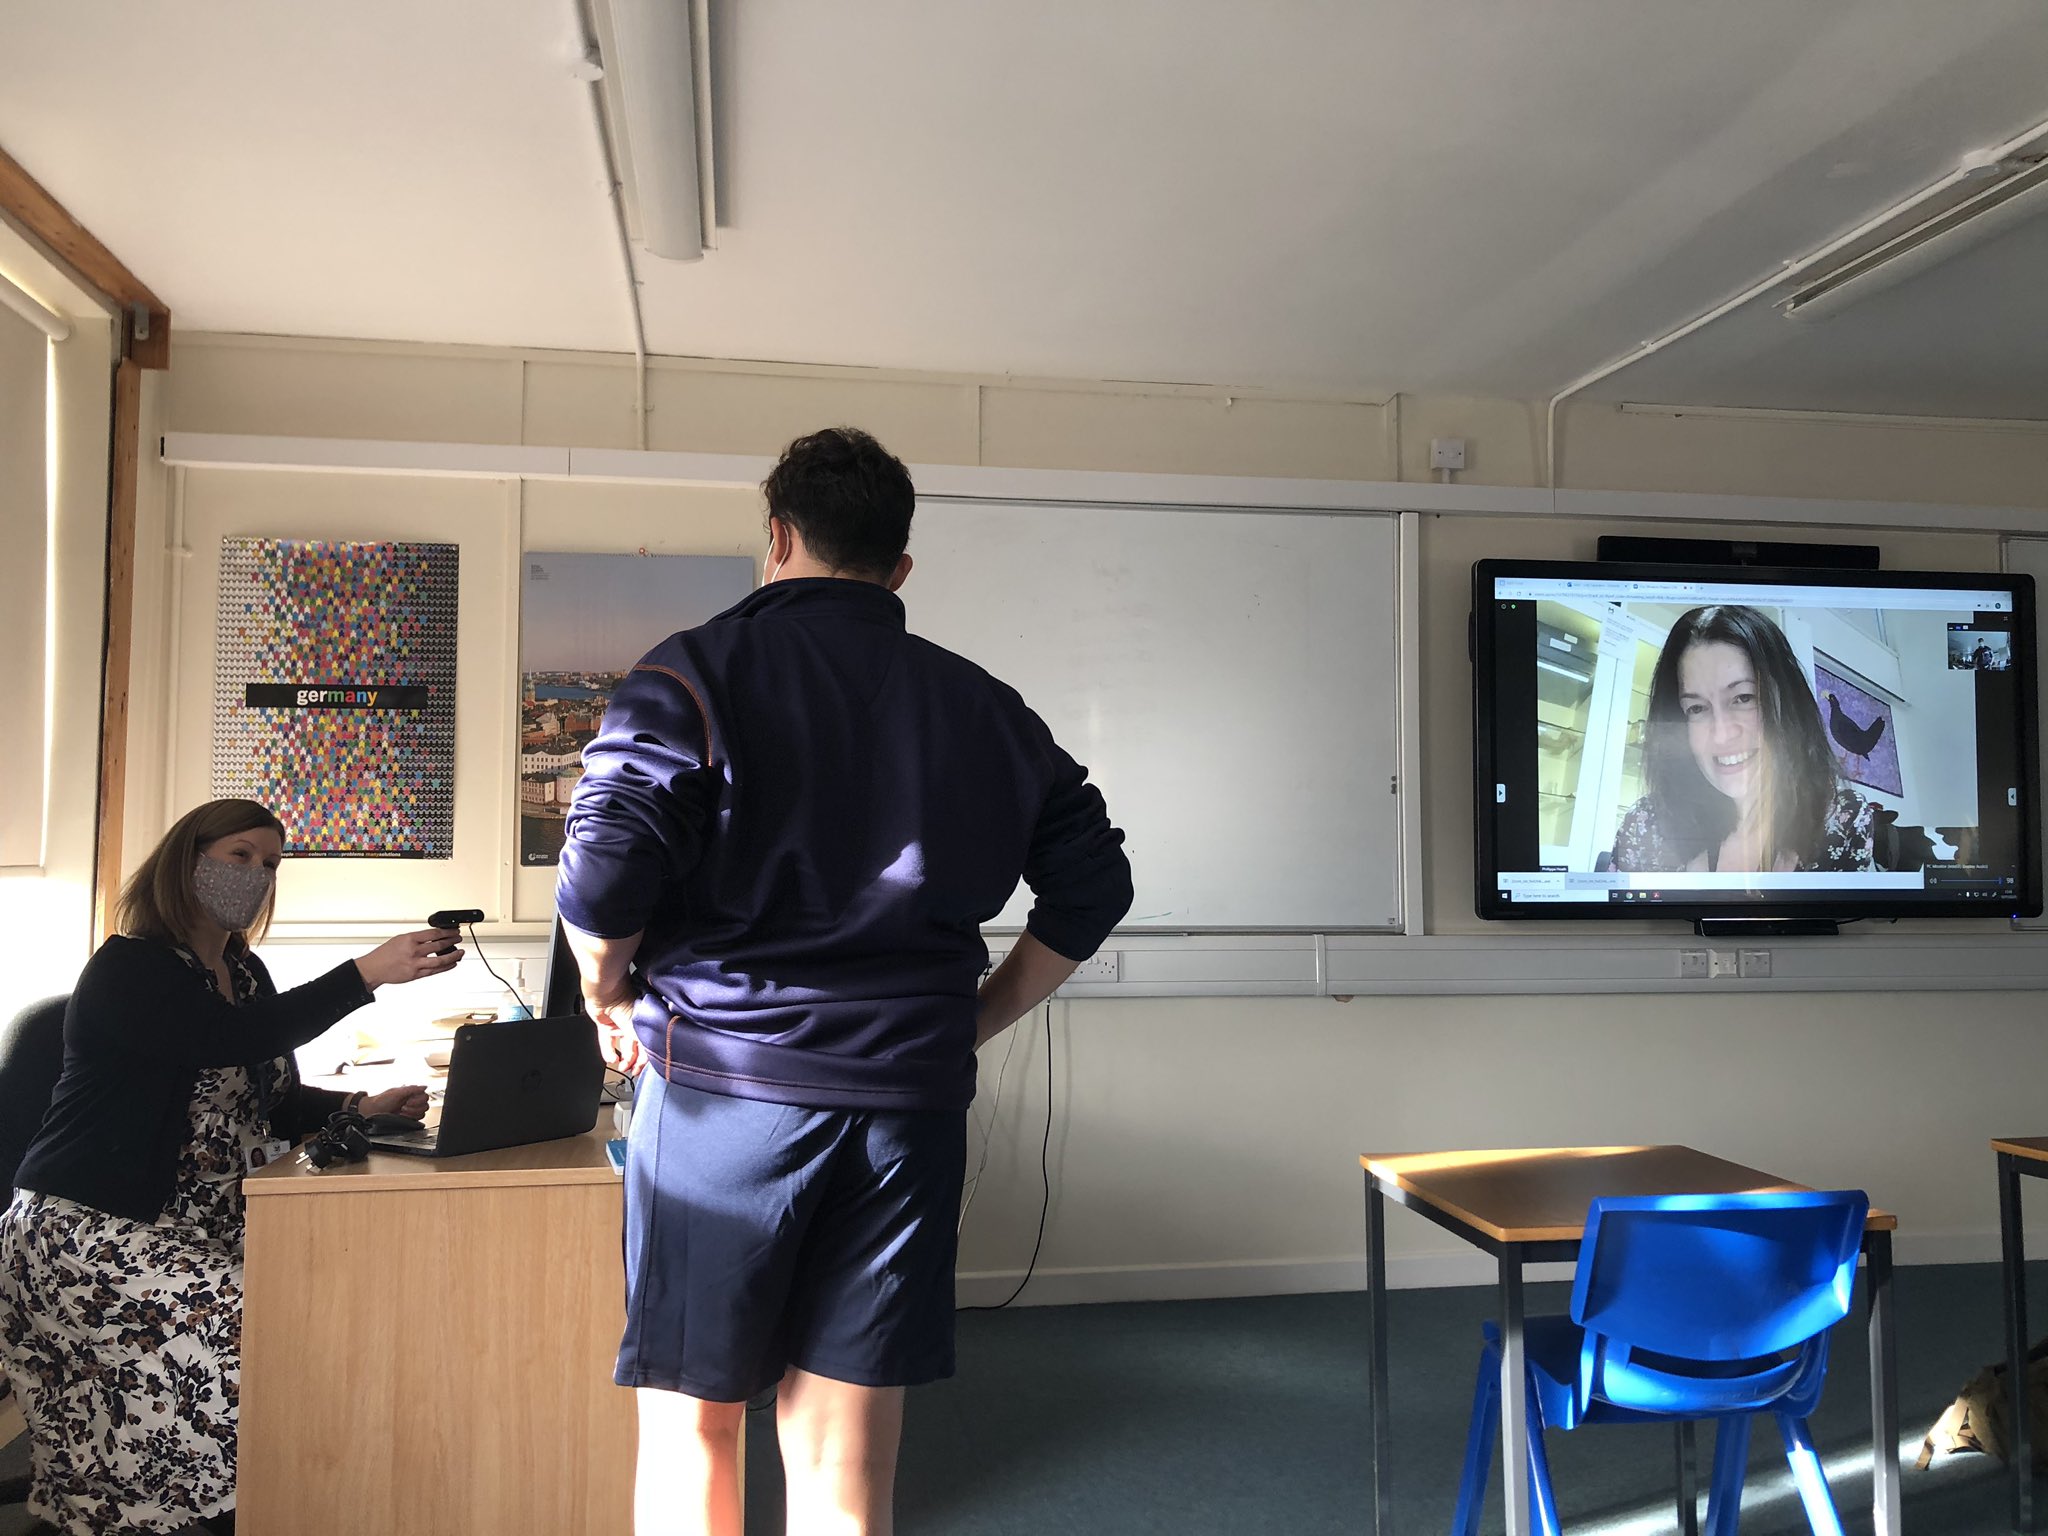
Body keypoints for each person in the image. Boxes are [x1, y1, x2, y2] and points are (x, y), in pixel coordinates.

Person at [556, 426, 1133, 1536]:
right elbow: (1091, 885)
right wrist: (975, 1019)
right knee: (840, 1442)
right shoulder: (984, 705)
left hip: (727, 1096)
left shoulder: (691, 670)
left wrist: (601, 989)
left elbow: (604, 866)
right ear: (899, 567)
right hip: (906, 1109)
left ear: (777, 537)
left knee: (694, 1425)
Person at [0, 798, 458, 1536]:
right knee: (274, 1327)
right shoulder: (131, 969)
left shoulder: (245, 972)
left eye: (270, 864)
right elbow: (228, 1042)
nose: (256, 875)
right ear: (187, 859)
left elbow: (267, 1097)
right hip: (91, 1235)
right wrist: (364, 974)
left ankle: (302, 1498)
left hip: (196, 1230)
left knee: (346, 1299)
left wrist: (359, 1105)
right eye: (239, 855)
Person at [1611, 604, 1875, 874]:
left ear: (1787, 703)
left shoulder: (1842, 819)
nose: (1722, 734)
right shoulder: (1646, 825)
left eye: (1744, 698)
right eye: (1697, 708)